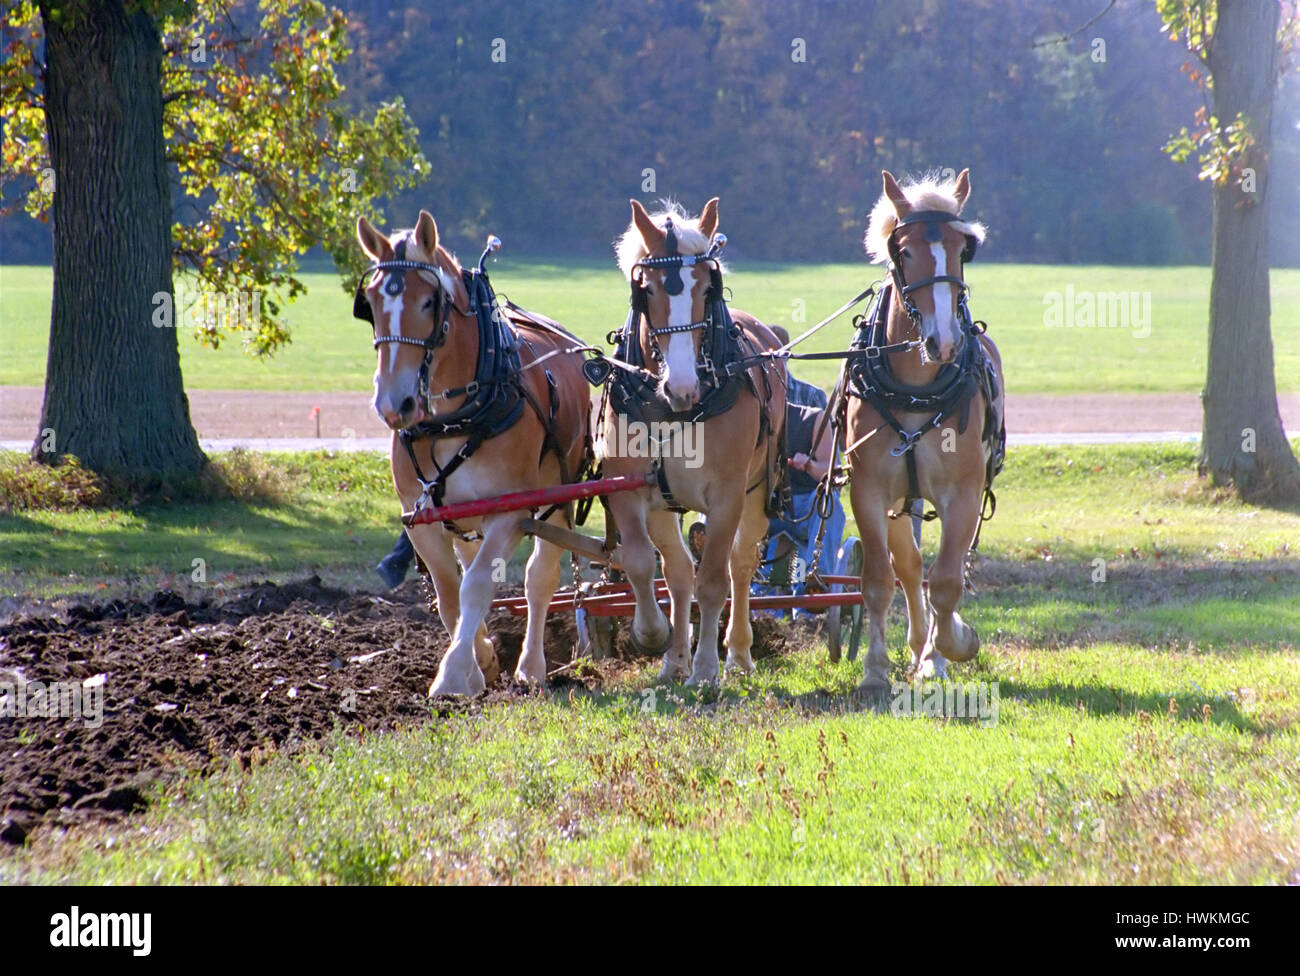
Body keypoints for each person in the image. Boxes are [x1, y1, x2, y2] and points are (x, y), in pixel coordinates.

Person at [757, 326, 847, 619]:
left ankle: (811, 593)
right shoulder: (750, 417)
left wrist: (807, 465)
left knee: (829, 507)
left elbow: (832, 473)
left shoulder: (812, 414)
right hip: (767, 505)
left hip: (807, 503)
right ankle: (764, 610)